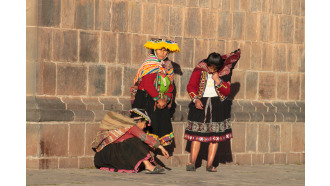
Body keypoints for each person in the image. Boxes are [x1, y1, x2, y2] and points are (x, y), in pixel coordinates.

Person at [184, 49, 241, 172]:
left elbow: (227, 91)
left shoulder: (224, 73)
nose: (212, 69)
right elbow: (191, 86)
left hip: (217, 105)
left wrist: (218, 80)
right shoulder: (200, 69)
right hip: (201, 103)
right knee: (196, 135)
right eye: (210, 67)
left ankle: (210, 164)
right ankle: (192, 162)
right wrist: (195, 99)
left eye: (215, 68)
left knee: (215, 137)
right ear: (207, 63)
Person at [131, 38, 180, 146]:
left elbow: (170, 86)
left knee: (157, 129)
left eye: (165, 50)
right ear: (154, 51)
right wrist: (158, 99)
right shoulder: (150, 64)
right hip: (147, 100)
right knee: (146, 129)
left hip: (161, 103)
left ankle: (151, 157)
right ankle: (145, 158)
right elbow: (148, 85)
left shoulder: (168, 66)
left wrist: (165, 99)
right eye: (160, 50)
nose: (162, 53)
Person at [92, 108, 169, 174]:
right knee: (136, 141)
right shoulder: (131, 126)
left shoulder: (126, 127)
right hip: (106, 155)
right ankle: (148, 166)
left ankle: (149, 165)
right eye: (145, 123)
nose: (145, 126)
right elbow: (144, 137)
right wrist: (161, 147)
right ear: (139, 121)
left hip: (101, 158)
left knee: (134, 143)